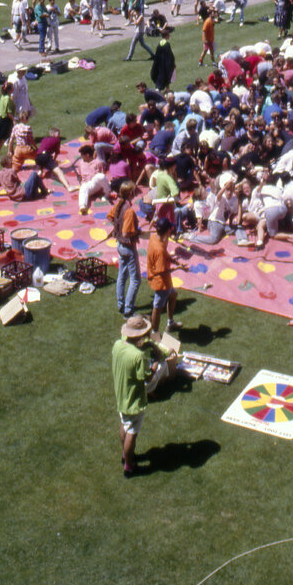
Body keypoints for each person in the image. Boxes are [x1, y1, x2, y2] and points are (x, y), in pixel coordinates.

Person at [112, 314, 157, 478]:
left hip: (121, 395)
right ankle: (129, 466)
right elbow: (147, 377)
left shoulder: (118, 345)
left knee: (125, 424)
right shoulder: (138, 356)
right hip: (134, 399)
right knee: (132, 432)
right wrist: (156, 363)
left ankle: (125, 456)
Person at [147, 215, 184, 334]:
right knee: (157, 309)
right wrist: (178, 267)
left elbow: (164, 254)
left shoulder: (154, 238)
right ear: (167, 231)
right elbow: (162, 270)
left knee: (173, 295)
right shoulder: (160, 250)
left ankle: (170, 323)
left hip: (161, 280)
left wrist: (174, 261)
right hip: (161, 283)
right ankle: (154, 334)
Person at [112, 181, 142, 318]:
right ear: (131, 193)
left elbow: (111, 217)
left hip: (119, 245)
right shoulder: (129, 211)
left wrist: (117, 227)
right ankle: (128, 310)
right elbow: (126, 233)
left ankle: (121, 304)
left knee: (122, 276)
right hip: (128, 247)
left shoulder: (119, 205)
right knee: (135, 279)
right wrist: (137, 232)